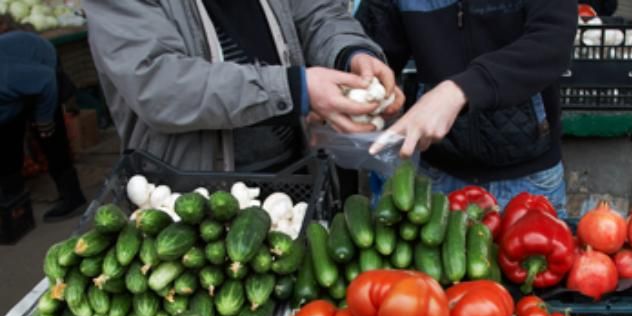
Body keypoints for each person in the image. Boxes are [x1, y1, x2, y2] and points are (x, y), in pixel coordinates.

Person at [83, 0, 404, 173]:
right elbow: (158, 85)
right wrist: (295, 89)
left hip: (295, 165)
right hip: (191, 189)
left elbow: (317, 13)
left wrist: (351, 53)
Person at [360, 0, 578, 216]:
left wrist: (460, 90)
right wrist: (363, 83)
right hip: (434, 173)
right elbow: (372, 43)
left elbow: (552, 42)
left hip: (528, 177)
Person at [0, 28, 86, 222]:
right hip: (13, 88)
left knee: (49, 136)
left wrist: (45, 118)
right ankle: (13, 200)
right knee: (7, 141)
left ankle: (73, 197)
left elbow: (46, 81)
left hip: (41, 67)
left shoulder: (6, 76)